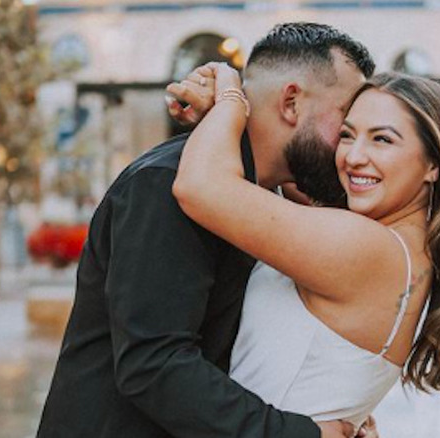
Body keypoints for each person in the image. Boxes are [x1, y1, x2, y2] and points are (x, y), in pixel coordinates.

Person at [37, 23, 375, 438]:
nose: (351, 147)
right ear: (290, 103)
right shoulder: (165, 183)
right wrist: (302, 433)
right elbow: (155, 365)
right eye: (344, 123)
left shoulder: (260, 196)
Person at [172, 63, 440, 429]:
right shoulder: (404, 251)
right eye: (348, 135)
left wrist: (230, 96)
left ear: (433, 164)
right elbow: (282, 175)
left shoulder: (364, 247)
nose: (353, 157)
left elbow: (200, 187)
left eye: (382, 139)